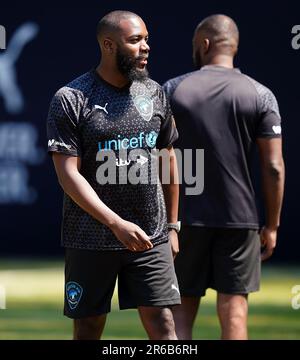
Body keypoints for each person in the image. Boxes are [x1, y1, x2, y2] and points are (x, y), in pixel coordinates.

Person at [47, 10, 181, 340]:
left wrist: (174, 226)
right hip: (90, 238)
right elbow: (68, 175)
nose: (146, 47)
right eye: (135, 40)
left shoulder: (155, 93)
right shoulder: (71, 99)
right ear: (108, 45)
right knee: (89, 327)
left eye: (147, 39)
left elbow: (169, 161)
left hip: (151, 236)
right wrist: (115, 224)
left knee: (164, 326)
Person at [163, 14, 285, 340]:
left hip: (184, 219)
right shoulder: (261, 95)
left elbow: (160, 160)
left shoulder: (172, 90)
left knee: (179, 313)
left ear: (204, 44)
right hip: (239, 220)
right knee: (234, 314)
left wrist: (165, 221)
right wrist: (271, 225)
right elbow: (273, 167)